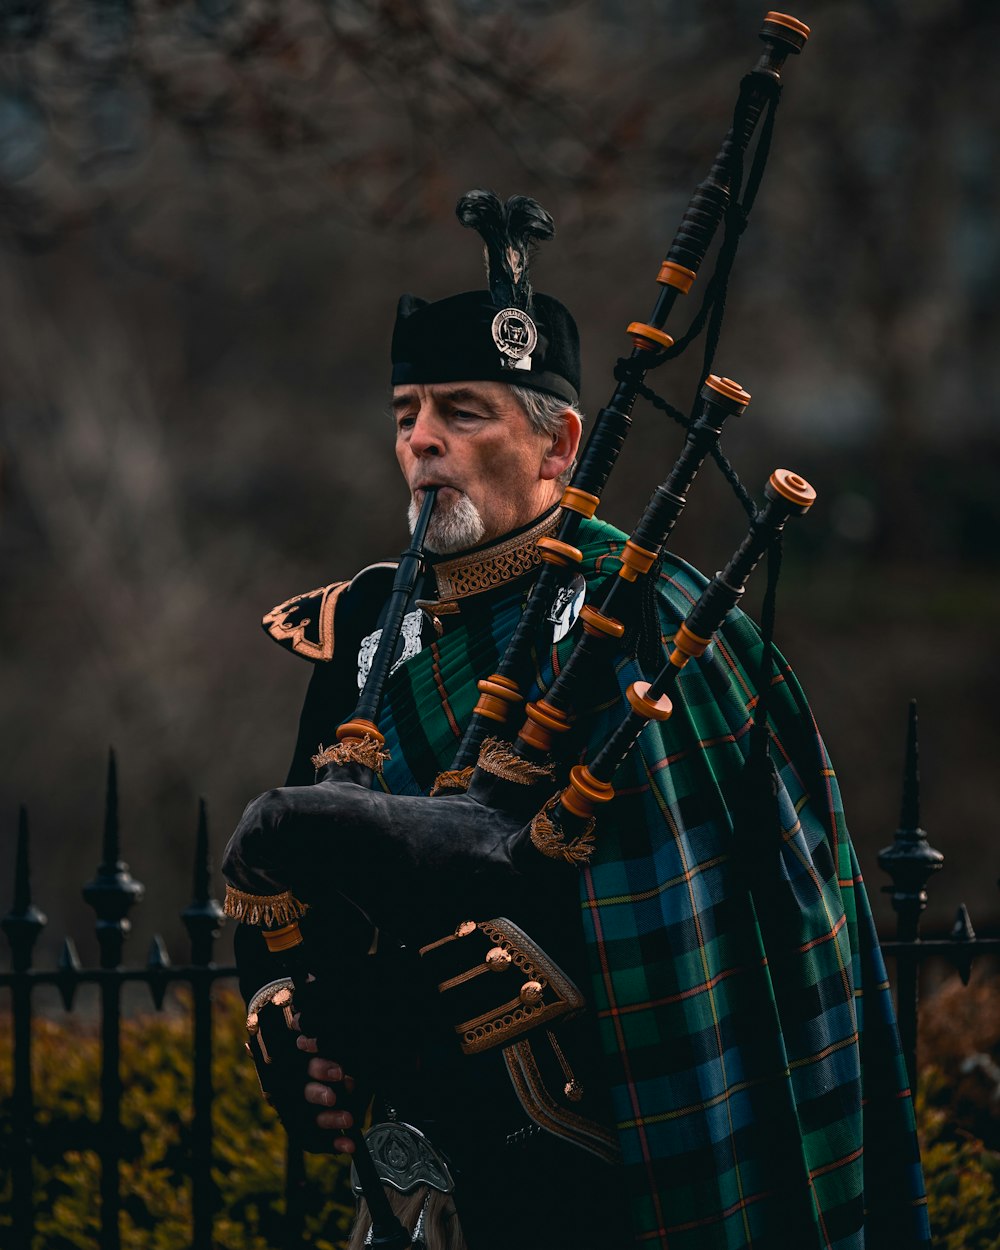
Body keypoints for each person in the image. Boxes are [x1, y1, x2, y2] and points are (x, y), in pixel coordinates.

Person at [231, 191, 931, 1250]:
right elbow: (297, 897)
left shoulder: (643, 612)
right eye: (405, 413)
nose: (422, 441)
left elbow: (681, 913)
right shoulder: (362, 630)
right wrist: (293, 1016)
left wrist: (462, 941)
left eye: (462, 411)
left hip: (611, 1147)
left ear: (558, 444)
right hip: (427, 1162)